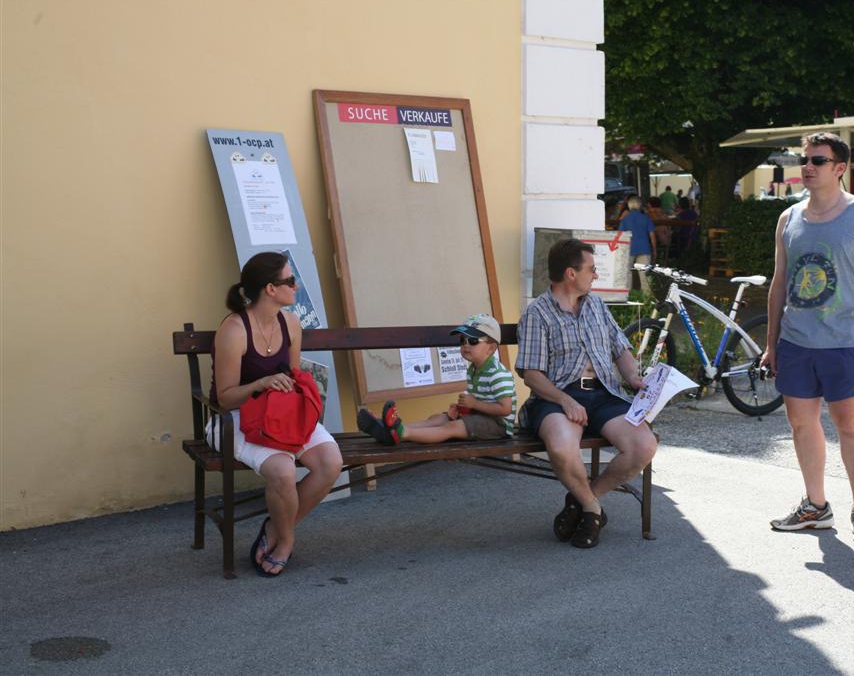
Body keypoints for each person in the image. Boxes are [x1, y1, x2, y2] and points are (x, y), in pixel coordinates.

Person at [762, 132, 854, 545]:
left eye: (817, 160)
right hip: (797, 341)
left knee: (850, 425)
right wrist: (771, 344)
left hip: (846, 341)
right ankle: (816, 508)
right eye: (805, 160)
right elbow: (779, 283)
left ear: (840, 168)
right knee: (801, 423)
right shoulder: (789, 218)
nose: (807, 167)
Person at [516, 239, 658, 549]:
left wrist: (633, 376)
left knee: (643, 446)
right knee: (563, 448)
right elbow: (531, 374)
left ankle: (582, 500)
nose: (595, 276)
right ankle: (593, 511)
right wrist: (564, 400)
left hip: (604, 393)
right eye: (591, 269)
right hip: (557, 397)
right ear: (570, 273)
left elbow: (620, 348)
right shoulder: (537, 313)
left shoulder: (595, 305)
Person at [210, 252, 343, 576]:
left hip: (282, 412)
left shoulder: (291, 323)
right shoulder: (234, 329)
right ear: (270, 289)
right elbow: (225, 399)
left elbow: (294, 375)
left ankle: (275, 529)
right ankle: (286, 541)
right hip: (236, 419)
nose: (296, 286)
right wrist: (262, 383)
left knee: (331, 463)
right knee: (283, 471)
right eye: (289, 280)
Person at [357, 314, 517, 443]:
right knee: (438, 418)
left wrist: (474, 404)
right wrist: (463, 408)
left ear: (491, 348)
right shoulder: (473, 369)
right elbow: (481, 400)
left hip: (498, 425)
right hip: (480, 416)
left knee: (452, 427)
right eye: (462, 340)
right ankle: (392, 428)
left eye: (473, 341)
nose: (465, 345)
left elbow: (504, 409)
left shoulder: (498, 374)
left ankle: (402, 433)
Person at [617, 195, 657, 294]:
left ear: (629, 206)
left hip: (629, 249)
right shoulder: (646, 218)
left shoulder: (625, 220)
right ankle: (648, 301)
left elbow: (620, 236)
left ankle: (627, 297)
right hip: (644, 249)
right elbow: (652, 236)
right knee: (645, 277)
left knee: (627, 275)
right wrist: (654, 250)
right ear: (640, 206)